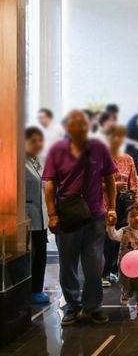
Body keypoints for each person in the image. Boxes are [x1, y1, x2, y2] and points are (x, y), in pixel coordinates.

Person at [43, 110, 117, 325]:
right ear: (67, 127)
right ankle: (72, 306)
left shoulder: (99, 147)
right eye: (75, 124)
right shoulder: (57, 150)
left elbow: (110, 180)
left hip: (95, 216)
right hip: (68, 216)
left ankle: (93, 306)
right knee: (67, 265)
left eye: (84, 124)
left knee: (94, 264)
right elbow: (49, 185)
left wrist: (112, 208)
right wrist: (52, 214)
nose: (80, 128)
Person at [102, 124, 138, 287]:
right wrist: (112, 186)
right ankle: (104, 272)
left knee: (122, 238)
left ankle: (117, 269)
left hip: (124, 205)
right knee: (107, 239)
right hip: (104, 204)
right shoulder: (100, 159)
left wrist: (136, 208)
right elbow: (92, 184)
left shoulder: (128, 159)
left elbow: (134, 185)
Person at [106, 203, 138, 315]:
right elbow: (113, 236)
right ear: (127, 219)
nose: (136, 218)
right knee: (125, 281)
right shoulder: (124, 231)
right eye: (132, 216)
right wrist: (110, 226)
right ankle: (126, 292)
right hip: (125, 265)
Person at [25, 127, 50, 305]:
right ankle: (26, 291)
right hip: (25, 220)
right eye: (33, 140)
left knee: (41, 255)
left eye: (40, 140)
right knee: (29, 257)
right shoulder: (18, 162)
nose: (38, 144)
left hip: (42, 218)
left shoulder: (39, 161)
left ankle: (36, 290)